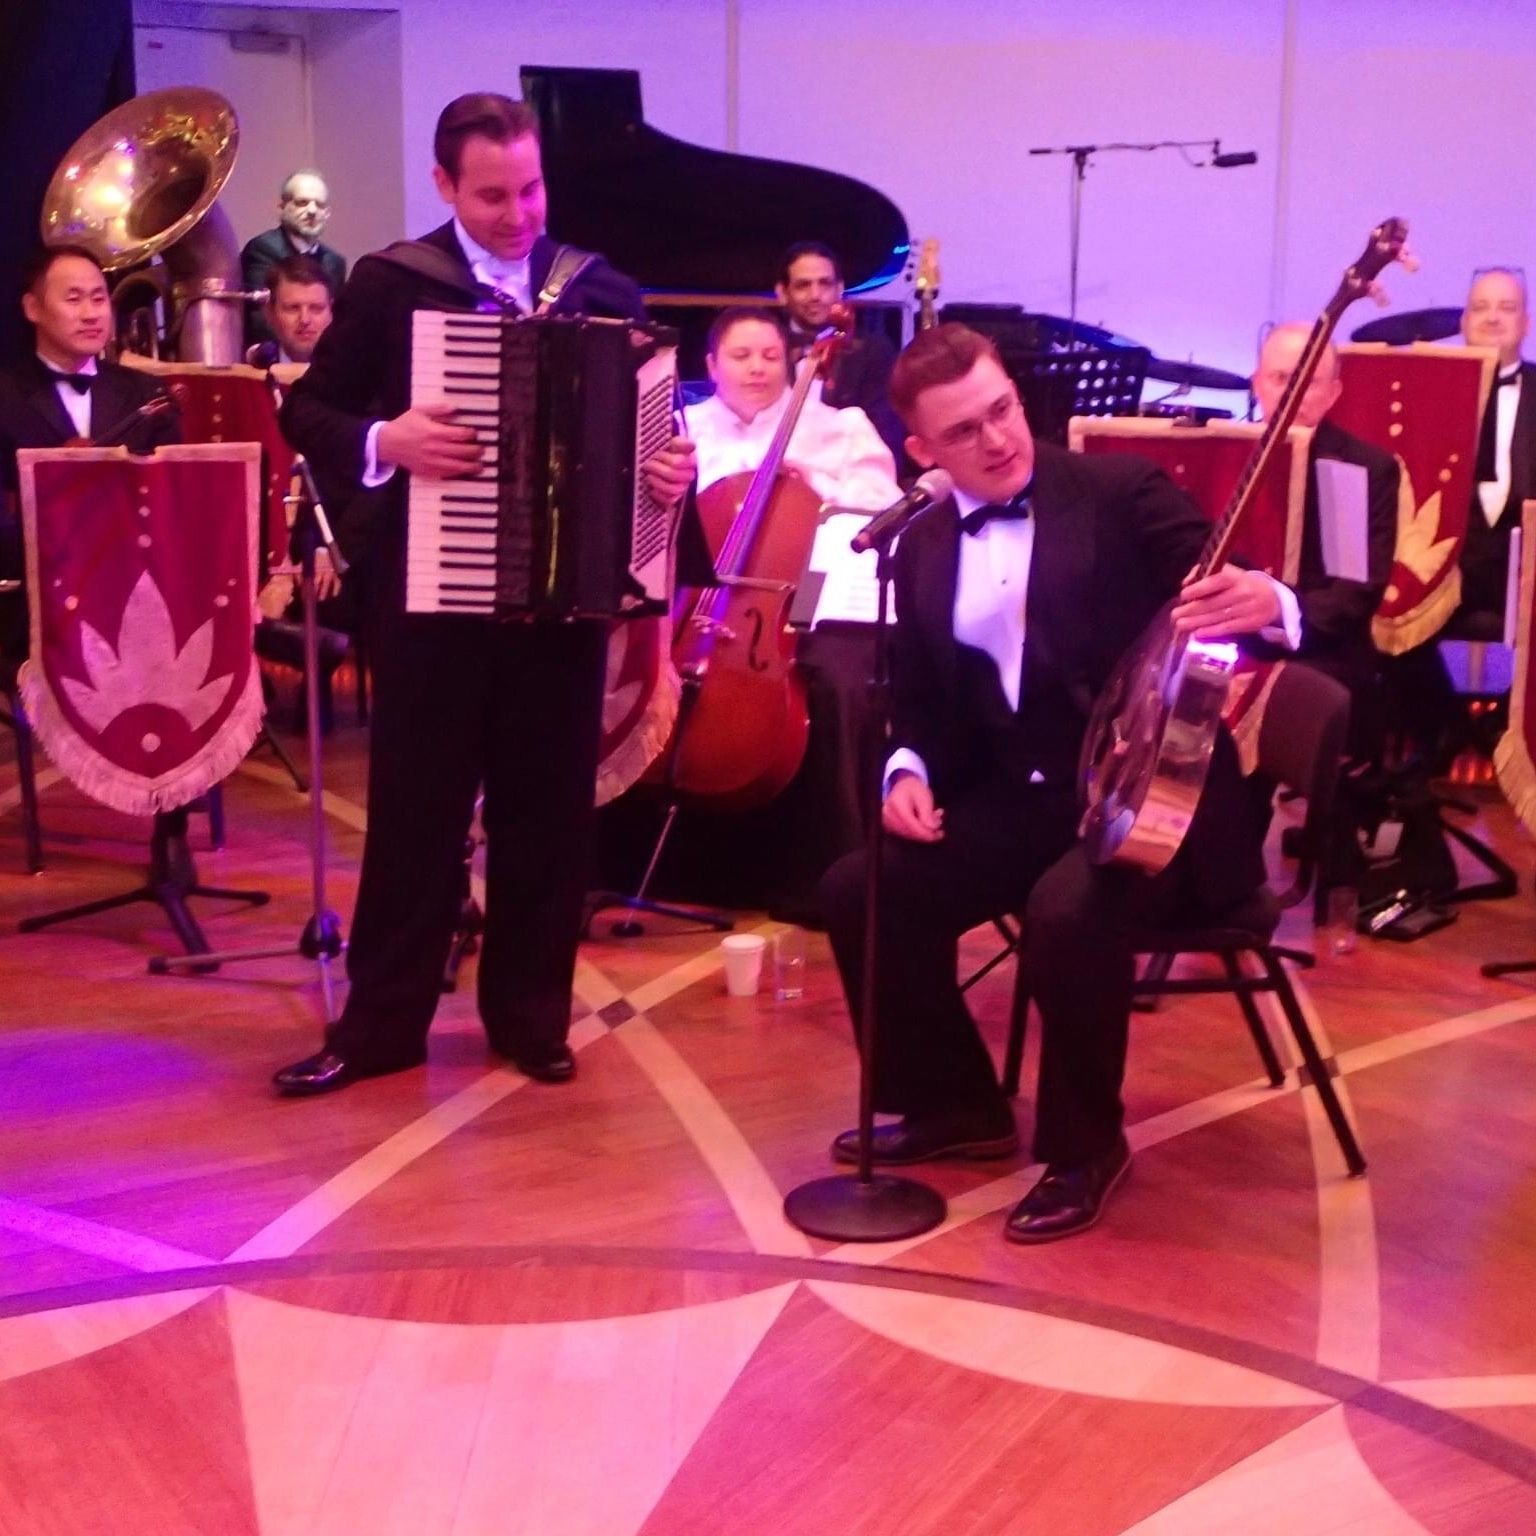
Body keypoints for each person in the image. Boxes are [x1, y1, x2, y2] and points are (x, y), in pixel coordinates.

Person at [816, 324, 1299, 1243]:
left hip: (1157, 802)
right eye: (964, 431)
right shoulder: (921, 543)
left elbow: (1228, 585)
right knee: (861, 887)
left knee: (1066, 911)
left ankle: (1086, 1149)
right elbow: (919, 697)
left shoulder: (1119, 493)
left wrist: (1269, 603)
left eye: (1002, 410)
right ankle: (957, 1104)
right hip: (1025, 797)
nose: (997, 439)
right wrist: (907, 767)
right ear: (920, 451)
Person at [271, 92, 699, 1096]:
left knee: (548, 820)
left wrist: (666, 468)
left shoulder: (602, 289)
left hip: (565, 600)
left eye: (531, 190)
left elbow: (656, 430)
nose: (519, 215)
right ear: (445, 186)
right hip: (430, 602)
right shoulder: (393, 285)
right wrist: (387, 440)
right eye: (493, 196)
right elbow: (311, 412)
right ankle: (382, 1027)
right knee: (414, 819)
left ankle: (531, 1018)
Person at [0, 245, 180, 658]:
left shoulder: (147, 392)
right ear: (32, 308)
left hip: (135, 596)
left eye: (99, 299)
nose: (91, 313)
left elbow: (173, 495)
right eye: (74, 299)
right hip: (28, 603)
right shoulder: (5, 395)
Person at [1247, 324, 1399, 757]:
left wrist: (1279, 616)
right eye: (1280, 378)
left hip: (1324, 645)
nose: (1293, 393)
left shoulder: (1364, 469)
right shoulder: (1227, 458)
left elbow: (1354, 594)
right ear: (1257, 385)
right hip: (1234, 640)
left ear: (1333, 393)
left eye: (1309, 382)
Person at [685, 306, 900, 509]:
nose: (757, 368)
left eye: (771, 357)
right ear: (712, 366)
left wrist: (811, 482)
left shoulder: (844, 427)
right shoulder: (682, 430)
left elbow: (885, 508)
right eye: (741, 356)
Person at [776, 242, 903, 462]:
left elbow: (886, 437)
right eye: (803, 285)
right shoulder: (768, 348)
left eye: (825, 284)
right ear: (782, 293)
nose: (816, 295)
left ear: (839, 288)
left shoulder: (873, 352)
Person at [241, 171, 347, 344]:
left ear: (327, 213)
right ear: (282, 208)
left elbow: (336, 321)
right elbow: (260, 319)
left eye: (319, 205)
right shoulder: (261, 249)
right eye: (302, 203)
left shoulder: (336, 262)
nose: (312, 211)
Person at [261, 254, 335, 366]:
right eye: (293, 308)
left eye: (316, 308)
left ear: (332, 312)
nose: (305, 320)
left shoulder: (354, 372)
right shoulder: (247, 372)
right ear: (269, 313)